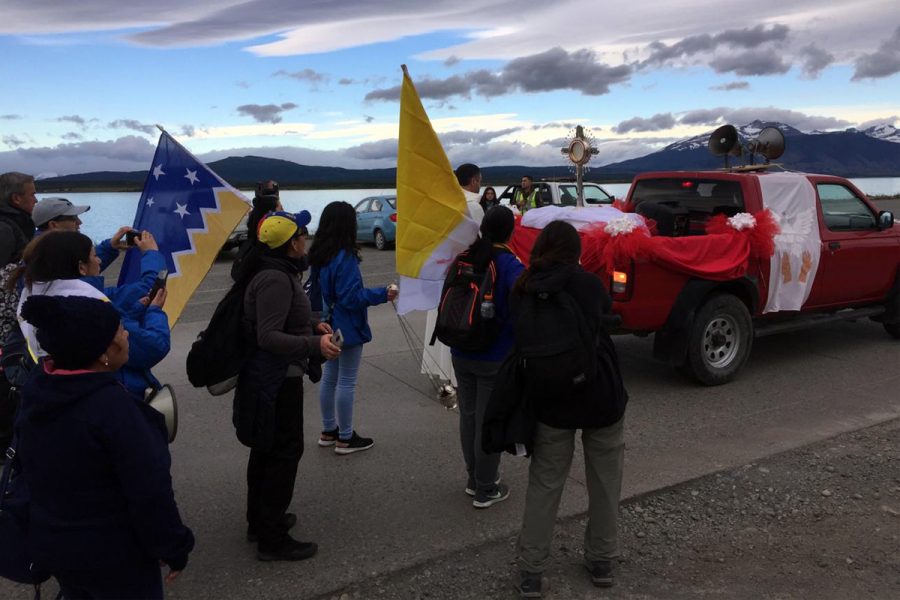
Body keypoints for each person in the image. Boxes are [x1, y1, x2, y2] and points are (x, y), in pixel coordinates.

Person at [15, 293, 194, 598]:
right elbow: (150, 492)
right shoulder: (113, 410)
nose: (126, 335)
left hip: (57, 545)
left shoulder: (39, 389)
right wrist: (173, 546)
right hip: (114, 555)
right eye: (120, 331)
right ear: (103, 353)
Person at [512, 221, 629, 598]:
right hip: (599, 392)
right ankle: (601, 560)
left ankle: (531, 569)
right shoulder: (589, 285)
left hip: (550, 397)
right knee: (605, 478)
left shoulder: (526, 286)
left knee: (545, 483)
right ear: (575, 251)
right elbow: (607, 311)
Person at [233, 210, 341, 561]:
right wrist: (315, 345)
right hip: (276, 380)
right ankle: (272, 537)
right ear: (291, 243)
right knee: (282, 453)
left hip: (271, 378)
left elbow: (282, 318)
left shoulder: (276, 270)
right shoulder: (276, 279)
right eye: (302, 235)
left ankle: (261, 521)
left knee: (267, 450)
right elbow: (268, 336)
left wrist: (312, 324)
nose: (306, 240)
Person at [10, 231, 169, 399]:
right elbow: (152, 346)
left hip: (65, 395)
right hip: (111, 396)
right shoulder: (89, 307)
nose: (99, 259)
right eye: (94, 255)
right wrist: (154, 311)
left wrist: (134, 310)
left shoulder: (38, 297)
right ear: (81, 267)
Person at [308, 201, 398, 454]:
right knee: (346, 381)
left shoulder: (319, 254)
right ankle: (345, 437)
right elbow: (352, 297)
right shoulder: (344, 257)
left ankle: (329, 430)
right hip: (346, 325)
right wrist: (383, 293)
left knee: (330, 378)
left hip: (328, 323)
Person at [450, 206, 524, 508]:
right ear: (510, 231)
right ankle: (486, 487)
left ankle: (472, 479)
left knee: (468, 418)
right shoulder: (508, 263)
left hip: (460, 348)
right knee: (488, 421)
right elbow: (525, 299)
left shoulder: (465, 256)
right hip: (494, 355)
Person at [421, 163, 485, 391]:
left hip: (442, 266)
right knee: (459, 317)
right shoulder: (473, 206)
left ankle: (442, 371)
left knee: (443, 314)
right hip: (464, 270)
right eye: (479, 180)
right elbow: (479, 239)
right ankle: (457, 376)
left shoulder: (445, 202)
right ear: (475, 181)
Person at [31, 196, 135, 273]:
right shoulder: (47, 260)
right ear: (53, 225)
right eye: (73, 219)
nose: (80, 222)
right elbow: (80, 289)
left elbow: (86, 266)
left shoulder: (45, 251)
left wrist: (111, 246)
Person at [0, 172, 37, 268]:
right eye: (32, 195)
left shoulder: (15, 222)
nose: (36, 200)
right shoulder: (4, 229)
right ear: (16, 198)